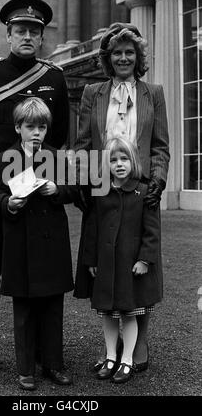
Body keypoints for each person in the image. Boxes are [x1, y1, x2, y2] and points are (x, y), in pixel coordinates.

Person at [0, 0, 70, 377]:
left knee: (39, 267)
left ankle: (43, 354)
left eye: (34, 31)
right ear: (8, 34)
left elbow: (60, 135)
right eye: (20, 30)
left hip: (39, 186)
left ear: (41, 38)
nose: (27, 36)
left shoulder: (54, 77)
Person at [73, 22, 170, 372]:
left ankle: (137, 342)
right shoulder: (92, 93)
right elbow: (82, 143)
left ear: (138, 56)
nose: (124, 57)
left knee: (139, 263)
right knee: (106, 263)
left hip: (141, 189)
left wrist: (158, 180)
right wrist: (81, 183)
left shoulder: (153, 93)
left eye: (130, 52)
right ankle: (112, 348)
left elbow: (160, 146)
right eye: (117, 52)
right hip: (103, 189)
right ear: (108, 58)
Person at [0, 97, 77, 390]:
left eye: (42, 127)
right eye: (30, 127)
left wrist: (58, 189)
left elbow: (75, 190)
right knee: (24, 310)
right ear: (18, 128)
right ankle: (26, 369)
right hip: (20, 243)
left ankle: (53, 365)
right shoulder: (3, 158)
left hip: (52, 243)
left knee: (53, 308)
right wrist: (9, 203)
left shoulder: (57, 157)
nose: (37, 132)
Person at [80, 137, 162, 383]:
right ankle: (110, 357)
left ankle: (127, 359)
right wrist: (91, 260)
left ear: (133, 161)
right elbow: (92, 229)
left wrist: (145, 260)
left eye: (124, 158)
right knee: (108, 314)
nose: (119, 164)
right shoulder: (101, 191)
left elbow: (152, 231)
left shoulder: (144, 191)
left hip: (130, 266)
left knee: (129, 314)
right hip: (106, 265)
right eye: (113, 160)